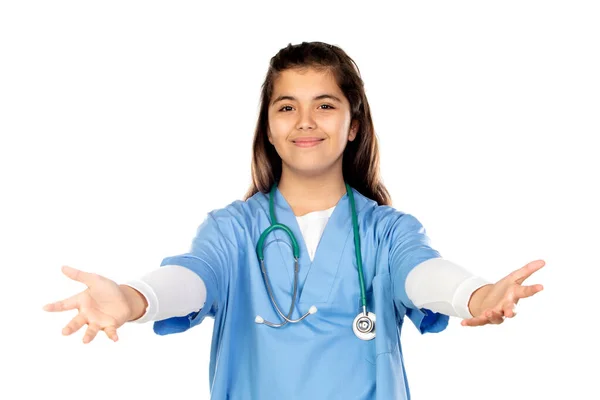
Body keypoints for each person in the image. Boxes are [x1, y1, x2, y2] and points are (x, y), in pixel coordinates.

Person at [43, 41, 545, 400]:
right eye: (287, 106)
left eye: (325, 105)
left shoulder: (386, 232)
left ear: (353, 126)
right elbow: (193, 278)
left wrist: (477, 295)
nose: (305, 121)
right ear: (268, 126)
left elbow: (421, 273)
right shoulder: (232, 230)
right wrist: (135, 299)